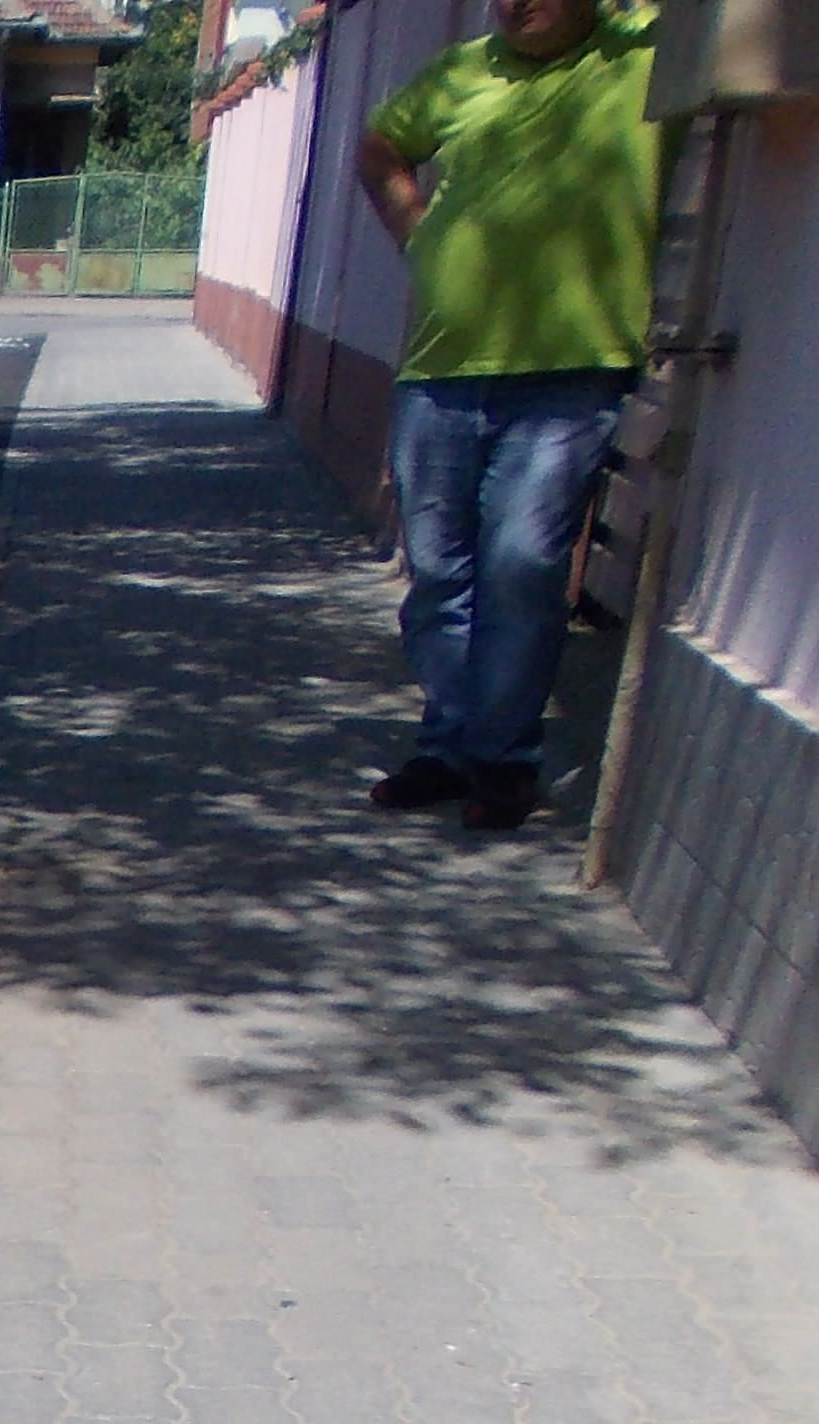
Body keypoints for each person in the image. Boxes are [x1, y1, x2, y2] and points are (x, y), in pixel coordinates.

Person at [358, 0, 660, 832]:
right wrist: (419, 234)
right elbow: (381, 146)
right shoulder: (463, 69)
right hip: (441, 368)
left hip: (573, 372)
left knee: (523, 565)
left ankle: (502, 758)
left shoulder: (640, 47)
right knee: (438, 573)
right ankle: (451, 746)